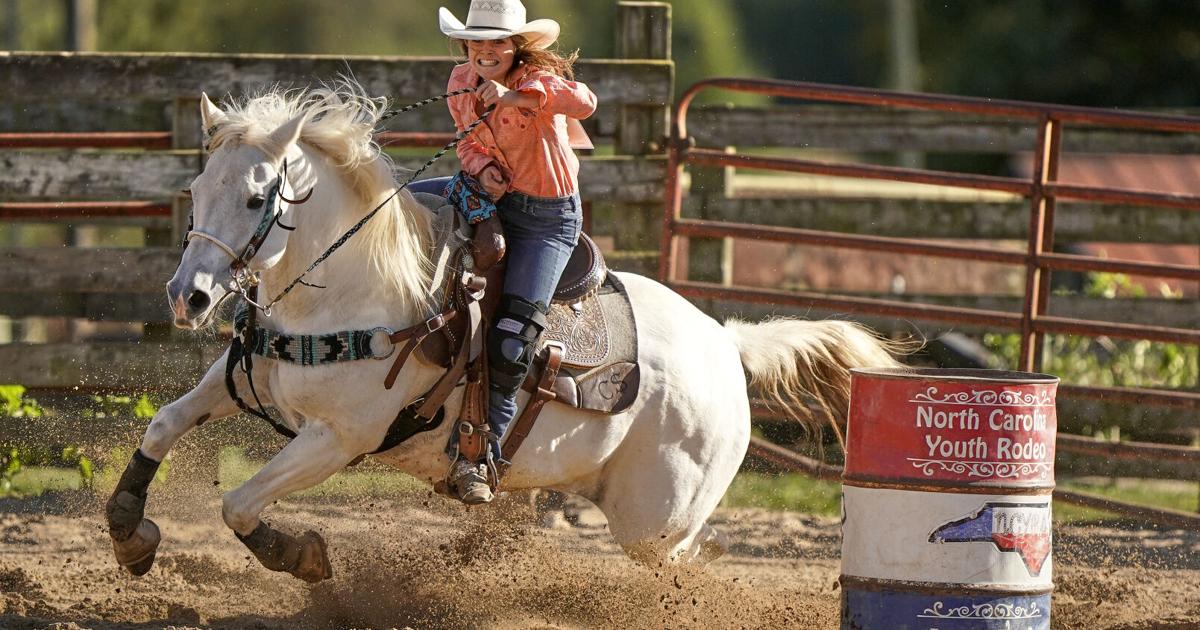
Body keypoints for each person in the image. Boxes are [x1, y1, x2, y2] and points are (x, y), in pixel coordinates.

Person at [421, 0, 597, 505]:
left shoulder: (539, 78)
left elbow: (583, 101)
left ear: (515, 47)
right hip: (493, 199)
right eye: (477, 41)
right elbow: (467, 142)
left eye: (497, 42)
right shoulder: (460, 81)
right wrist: (481, 168)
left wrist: (517, 96)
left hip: (549, 218)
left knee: (514, 337)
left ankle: (483, 451)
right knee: (401, 208)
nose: (485, 50)